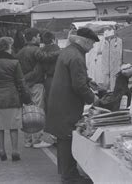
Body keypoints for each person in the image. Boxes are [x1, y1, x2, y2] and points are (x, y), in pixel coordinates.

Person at [46, 27, 98, 183]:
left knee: (63, 138)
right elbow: (79, 86)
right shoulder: (77, 56)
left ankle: (66, 172)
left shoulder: (69, 51)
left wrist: (88, 80)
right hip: (67, 103)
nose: (93, 47)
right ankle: (69, 175)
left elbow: (75, 77)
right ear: (86, 42)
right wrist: (94, 100)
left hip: (60, 101)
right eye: (92, 44)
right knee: (67, 138)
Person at [0, 37, 27, 162]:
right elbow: (21, 82)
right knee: (13, 126)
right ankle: (14, 151)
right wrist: (26, 96)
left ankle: (2, 150)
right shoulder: (14, 63)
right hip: (13, 97)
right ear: (7, 48)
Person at [15, 28, 58, 149]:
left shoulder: (20, 52)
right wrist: (60, 52)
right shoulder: (36, 50)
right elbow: (47, 57)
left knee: (27, 113)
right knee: (38, 112)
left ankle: (27, 140)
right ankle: (37, 140)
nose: (40, 38)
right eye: (38, 36)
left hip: (24, 86)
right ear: (34, 38)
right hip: (36, 84)